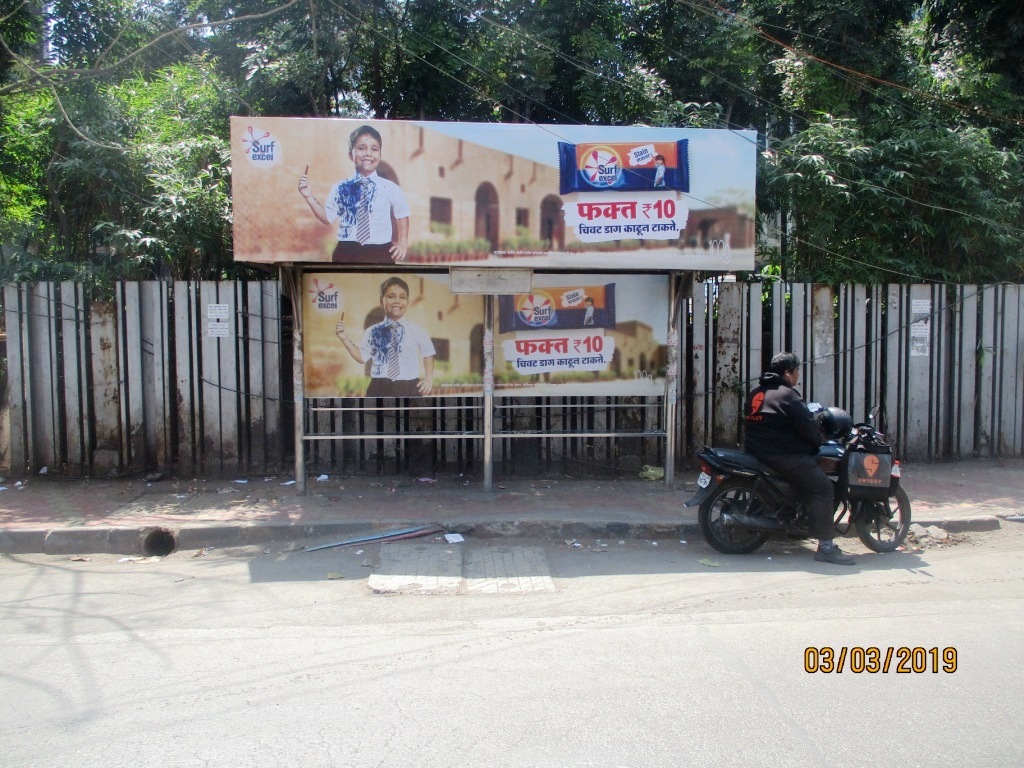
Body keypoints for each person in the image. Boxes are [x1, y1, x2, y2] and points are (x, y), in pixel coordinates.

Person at [744, 352, 855, 565]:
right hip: (782, 455)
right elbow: (807, 428)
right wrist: (817, 440)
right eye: (796, 371)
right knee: (823, 488)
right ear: (787, 373)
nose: (797, 376)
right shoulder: (788, 395)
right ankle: (826, 547)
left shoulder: (757, 393)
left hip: (757, 452)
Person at [298, 125, 410, 264]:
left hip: (380, 252)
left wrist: (403, 242)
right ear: (351, 155)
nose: (368, 153)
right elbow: (327, 218)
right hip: (347, 251)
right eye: (361, 148)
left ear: (380, 154)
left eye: (374, 149)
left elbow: (402, 214)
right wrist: (309, 196)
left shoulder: (390, 188)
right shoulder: (341, 187)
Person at [335, 276, 434, 397]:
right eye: (391, 296)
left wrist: (428, 378)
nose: (397, 301)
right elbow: (361, 358)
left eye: (402, 297)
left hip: (410, 387)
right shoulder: (372, 331)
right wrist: (344, 338)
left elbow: (428, 352)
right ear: (381, 301)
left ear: (407, 301)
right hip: (379, 386)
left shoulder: (417, 330)